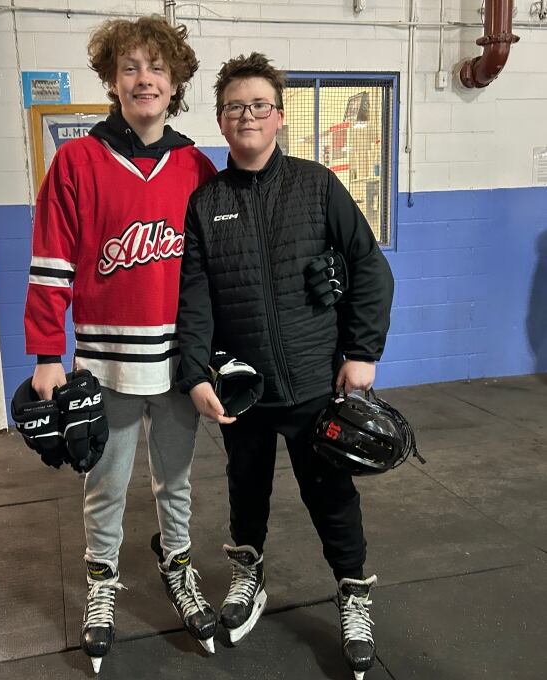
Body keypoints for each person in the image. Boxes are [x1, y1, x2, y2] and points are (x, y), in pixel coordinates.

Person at [177, 52, 394, 680]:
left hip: (312, 385)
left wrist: (361, 353)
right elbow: (192, 299)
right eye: (235, 106)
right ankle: (249, 576)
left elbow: (371, 270)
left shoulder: (317, 185)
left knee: (331, 496)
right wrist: (194, 372)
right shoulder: (205, 202)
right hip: (239, 389)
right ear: (221, 122)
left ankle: (353, 592)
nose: (248, 115)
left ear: (278, 116)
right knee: (247, 493)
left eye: (259, 105)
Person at [23, 16, 218, 674]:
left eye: (157, 68)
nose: (144, 78)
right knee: (104, 486)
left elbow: (216, 274)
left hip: (179, 366)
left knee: (178, 483)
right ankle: (102, 586)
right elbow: (50, 264)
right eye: (130, 67)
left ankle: (180, 569)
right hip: (103, 365)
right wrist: (48, 354)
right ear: (111, 80)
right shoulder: (75, 161)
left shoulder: (196, 165)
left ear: (175, 82)